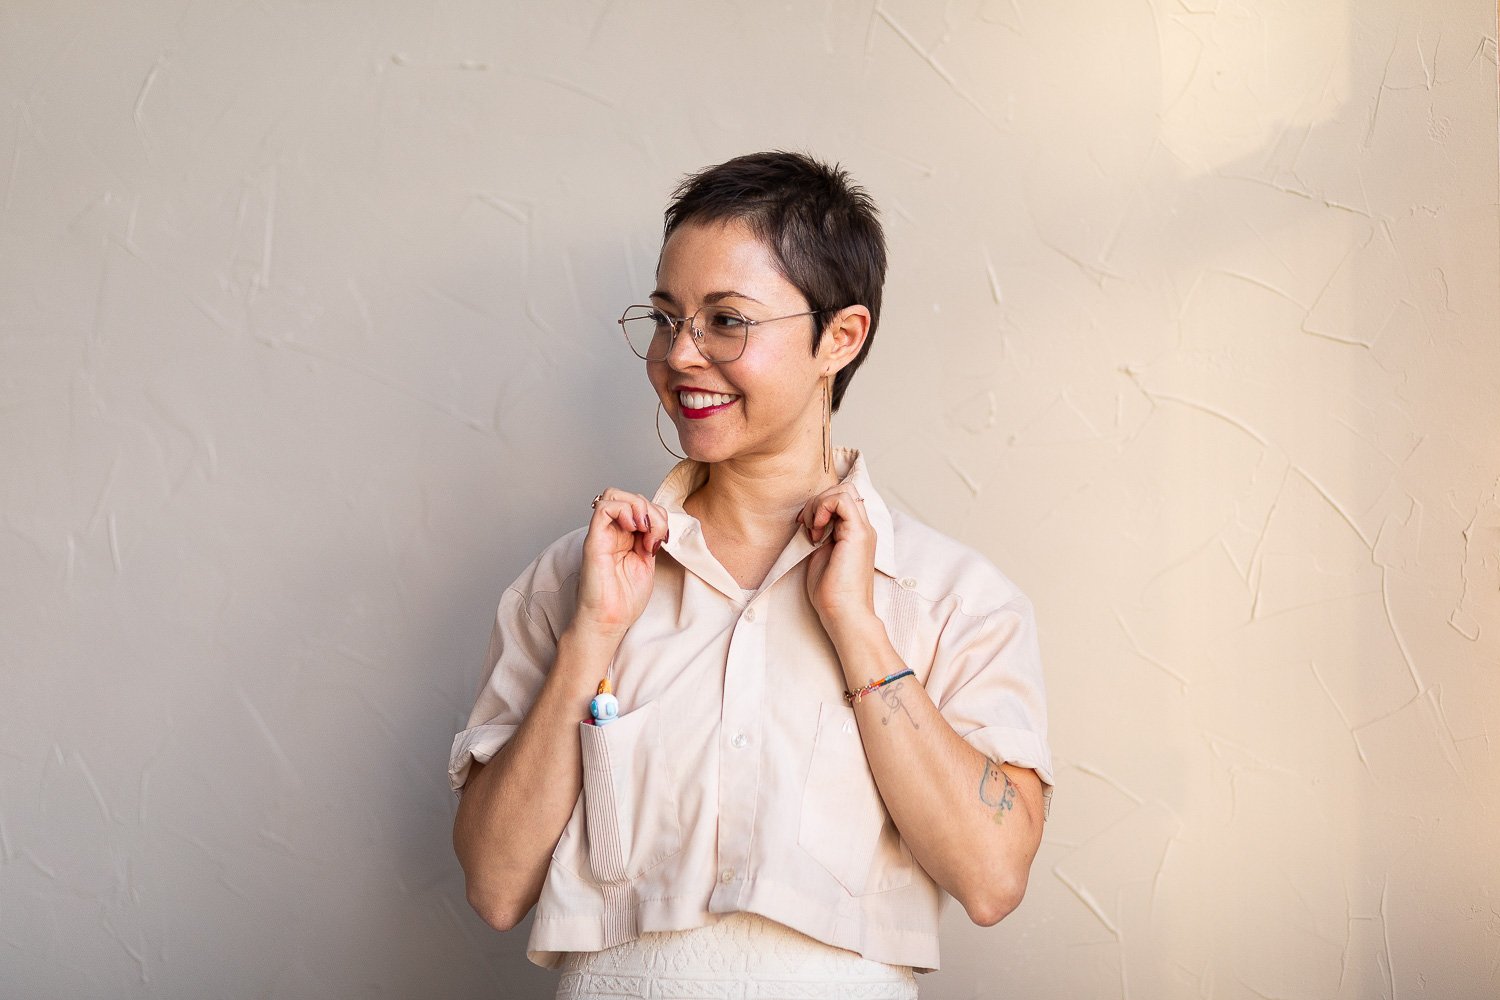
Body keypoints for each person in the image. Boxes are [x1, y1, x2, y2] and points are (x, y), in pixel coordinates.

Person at [450, 151, 1053, 998]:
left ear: (839, 338)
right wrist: (593, 636)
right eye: (667, 319)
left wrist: (858, 627)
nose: (681, 356)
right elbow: (494, 883)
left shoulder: (952, 598)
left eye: (726, 320)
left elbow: (992, 879)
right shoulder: (570, 582)